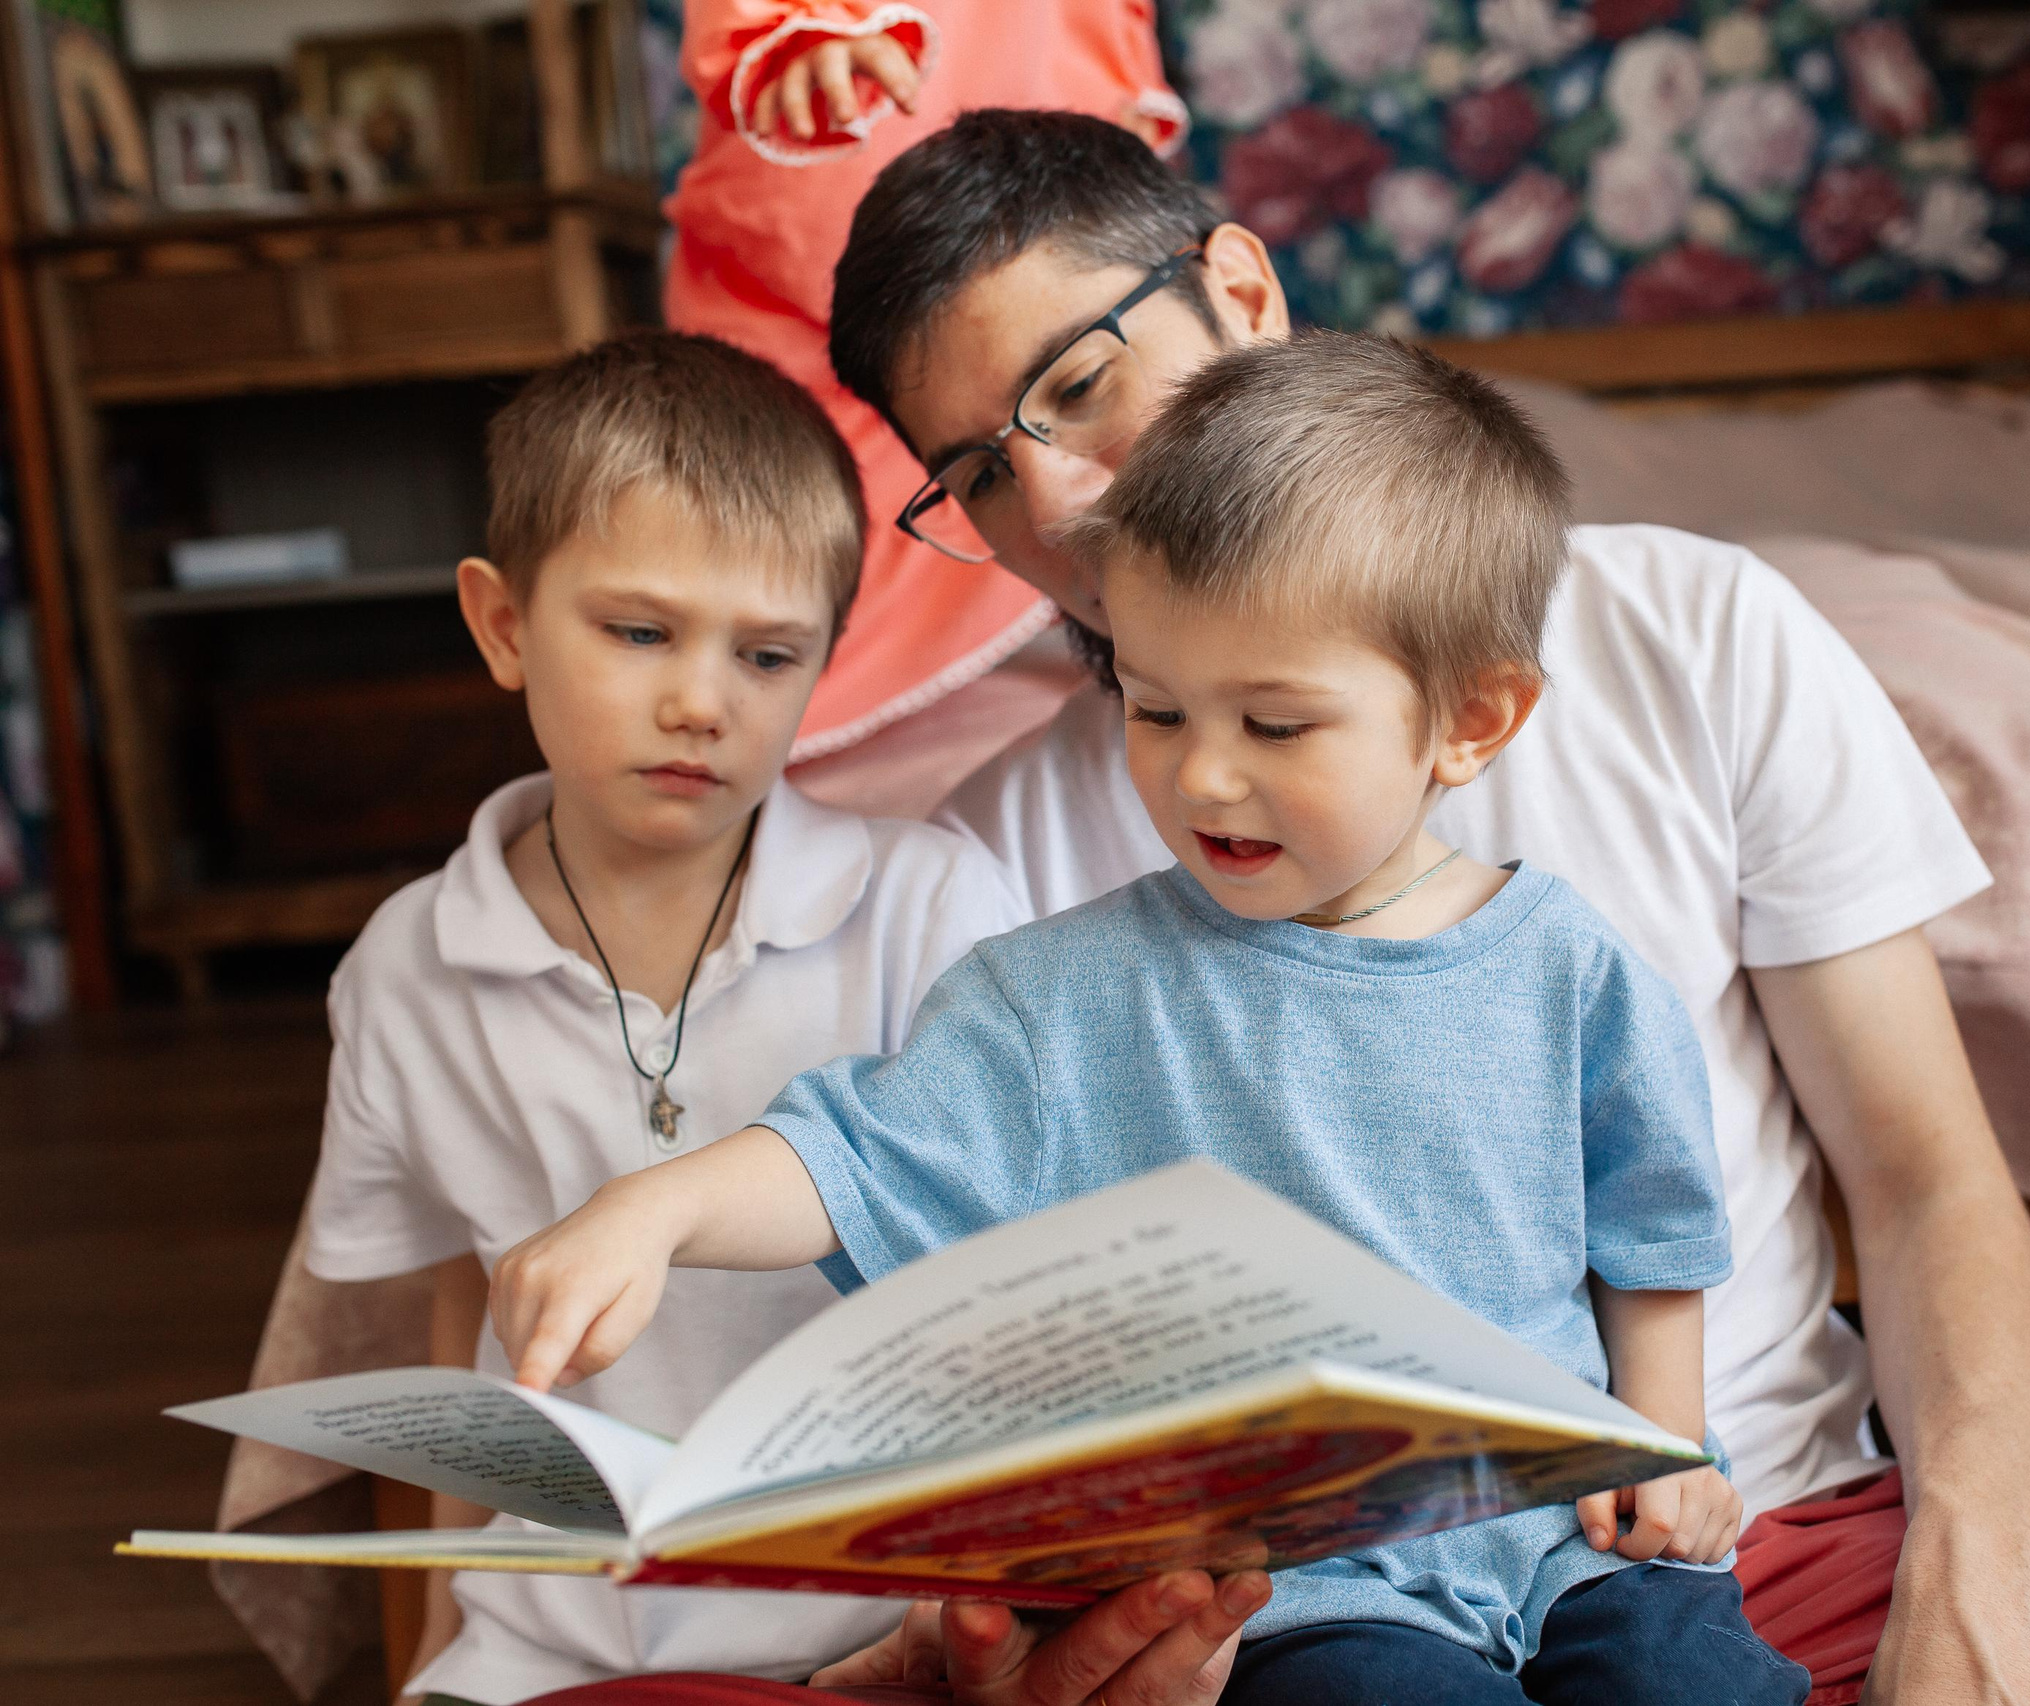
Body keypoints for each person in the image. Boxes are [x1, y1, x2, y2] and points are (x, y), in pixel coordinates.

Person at [761, 111, 2030, 1706]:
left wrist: (1986, 1591)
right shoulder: (991, 864)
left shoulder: (1697, 629)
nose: (1058, 493)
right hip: (1326, 1632)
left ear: (1242, 288)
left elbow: (1928, 1173)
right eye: (978, 470)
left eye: (1077, 385)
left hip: (1754, 1546)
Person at [490, 332, 1812, 1706]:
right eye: (1157, 705)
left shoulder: (1571, 972)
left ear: (1471, 720)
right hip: (1315, 1585)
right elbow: (853, 1155)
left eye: (1278, 725)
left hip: (1576, 1537)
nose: (1205, 776)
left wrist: (1671, 1454)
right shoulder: (1060, 999)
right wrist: (654, 1211)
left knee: (1700, 1679)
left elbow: (1651, 1236)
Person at [301, 331, 1035, 1703]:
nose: (702, 701)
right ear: (504, 624)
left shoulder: (933, 904)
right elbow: (455, 1317)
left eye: (767, 654)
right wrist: (423, 1661)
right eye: (639, 632)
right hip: (550, 1638)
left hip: (879, 1636)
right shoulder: (406, 967)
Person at [664, 0, 1187, 764]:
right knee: (802, 499)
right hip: (838, 179)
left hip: (1035, 137)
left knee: (1075, 426)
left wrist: (1112, 106)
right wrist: (793, 31)